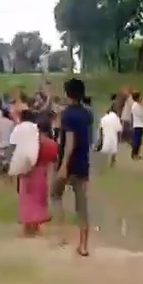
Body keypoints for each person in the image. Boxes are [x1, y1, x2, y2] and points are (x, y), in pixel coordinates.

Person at [51, 78, 93, 256]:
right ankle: (83, 245)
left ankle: (61, 235)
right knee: (82, 205)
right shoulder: (87, 114)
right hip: (83, 161)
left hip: (69, 162)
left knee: (55, 194)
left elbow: (69, 141)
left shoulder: (67, 115)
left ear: (68, 94)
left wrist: (63, 165)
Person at [99, 103, 123, 167]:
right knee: (113, 149)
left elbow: (101, 127)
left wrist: (100, 136)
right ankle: (112, 162)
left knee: (105, 148)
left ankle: (103, 163)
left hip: (105, 134)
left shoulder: (104, 117)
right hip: (113, 135)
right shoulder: (116, 118)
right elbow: (119, 129)